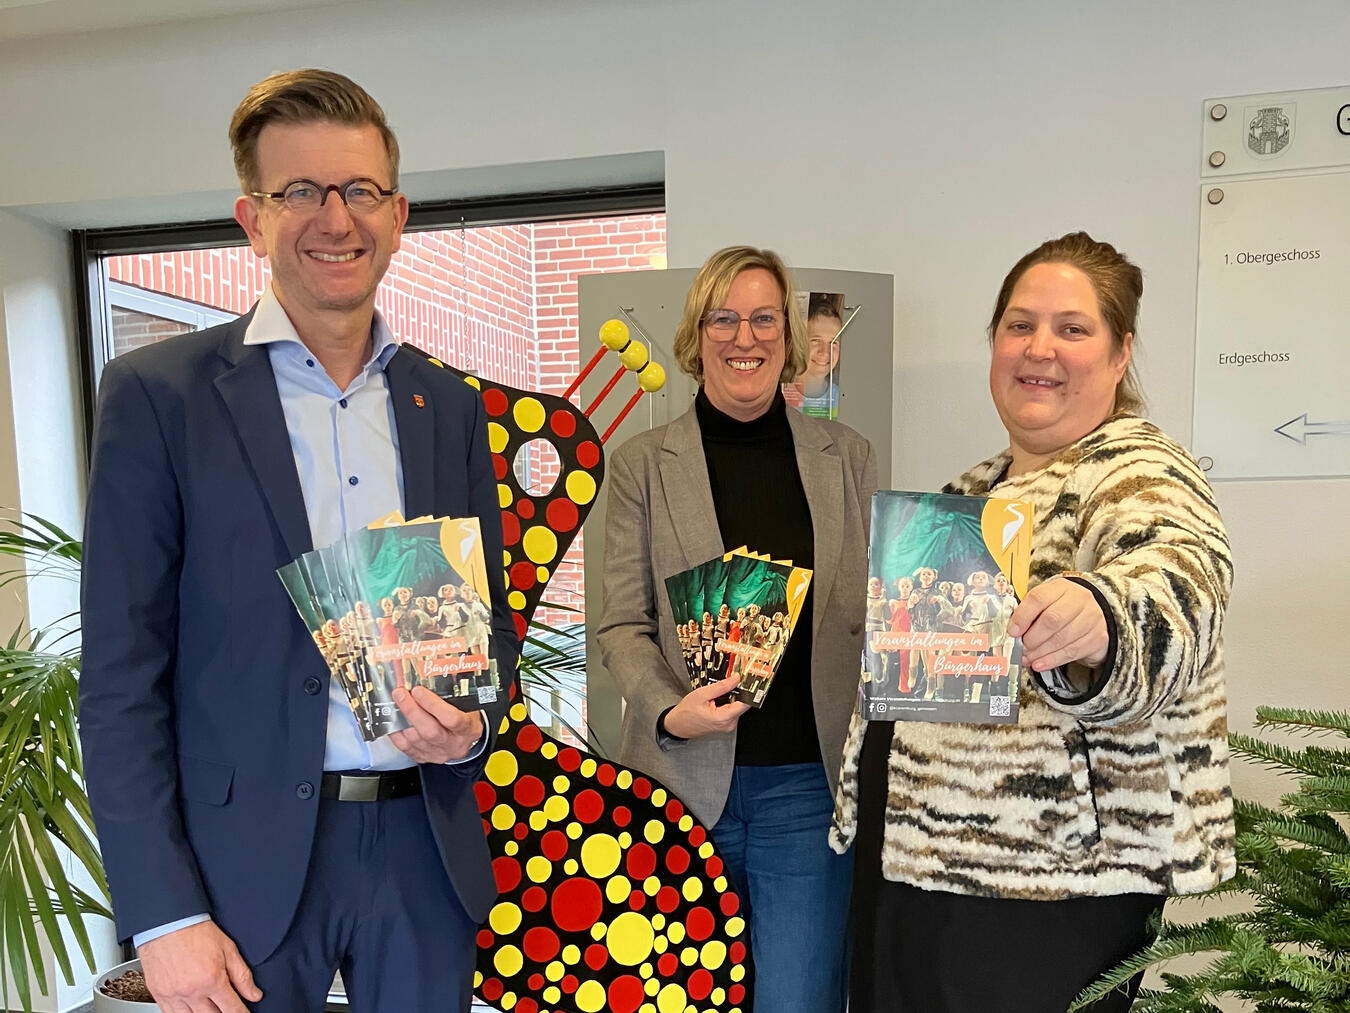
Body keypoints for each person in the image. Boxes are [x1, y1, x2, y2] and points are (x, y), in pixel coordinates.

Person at [79, 69, 518, 1013]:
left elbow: (492, 638)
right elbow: (119, 682)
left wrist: (472, 724)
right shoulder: (160, 396)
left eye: (360, 191)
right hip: (238, 872)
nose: (336, 219)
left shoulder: (446, 405)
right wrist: (161, 919)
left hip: (420, 854)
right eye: (302, 192)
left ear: (397, 214)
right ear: (252, 216)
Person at [835, 232, 1235, 1013]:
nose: (1038, 347)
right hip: (921, 867)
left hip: (1047, 888)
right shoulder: (972, 493)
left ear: (1121, 355)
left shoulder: (1139, 471)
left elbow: (1177, 584)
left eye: (1072, 328)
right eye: (1019, 325)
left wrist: (1105, 622)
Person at [597, 246, 876, 1013]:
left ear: (787, 338)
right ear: (697, 334)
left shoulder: (847, 458)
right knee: (680, 1001)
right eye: (725, 318)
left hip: (806, 790)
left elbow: (870, 613)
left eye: (762, 318)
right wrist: (666, 709)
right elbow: (622, 622)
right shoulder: (640, 465)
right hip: (680, 783)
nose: (743, 337)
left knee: (798, 1001)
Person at [792, 294, 843, 418]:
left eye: (833, 342)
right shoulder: (777, 393)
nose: (825, 352)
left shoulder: (842, 397)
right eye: (815, 340)